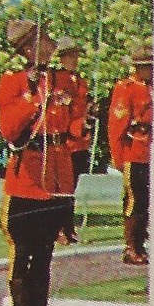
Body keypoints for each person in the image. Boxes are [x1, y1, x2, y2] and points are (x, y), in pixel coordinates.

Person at [0, 19, 78, 306]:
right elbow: (10, 130)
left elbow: (71, 122)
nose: (51, 44)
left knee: (44, 258)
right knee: (22, 257)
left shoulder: (61, 80)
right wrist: (30, 97)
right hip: (25, 179)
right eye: (44, 40)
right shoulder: (12, 83)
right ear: (29, 47)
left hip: (54, 179)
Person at [108, 43, 154, 266]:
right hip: (134, 150)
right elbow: (117, 126)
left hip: (152, 150)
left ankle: (141, 244)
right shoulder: (126, 88)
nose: (150, 70)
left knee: (148, 201)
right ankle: (131, 247)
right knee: (135, 200)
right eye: (146, 66)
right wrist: (118, 158)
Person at [55, 36, 90, 245]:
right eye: (71, 56)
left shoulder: (79, 80)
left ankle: (67, 227)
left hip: (78, 141)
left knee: (71, 188)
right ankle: (59, 228)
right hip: (64, 142)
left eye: (76, 55)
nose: (75, 60)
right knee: (61, 189)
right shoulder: (59, 81)